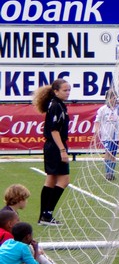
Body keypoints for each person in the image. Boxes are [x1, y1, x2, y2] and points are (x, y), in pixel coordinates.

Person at [33, 79, 71, 226]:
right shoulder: (56, 105)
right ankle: (47, 214)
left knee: (51, 179)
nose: (67, 93)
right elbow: (54, 130)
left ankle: (44, 216)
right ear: (56, 91)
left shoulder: (57, 104)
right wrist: (62, 150)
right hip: (55, 146)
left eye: (69, 90)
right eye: (65, 90)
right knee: (64, 180)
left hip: (52, 146)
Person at [93, 89, 119, 181]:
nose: (114, 99)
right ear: (107, 98)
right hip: (106, 135)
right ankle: (108, 173)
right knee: (108, 152)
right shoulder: (102, 109)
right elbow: (97, 121)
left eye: (115, 97)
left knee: (113, 154)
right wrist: (96, 131)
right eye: (112, 97)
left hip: (116, 135)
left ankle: (111, 172)